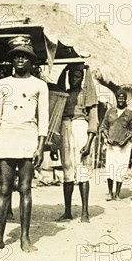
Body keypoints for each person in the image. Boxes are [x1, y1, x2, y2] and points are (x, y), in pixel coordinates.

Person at [0, 36, 49, 253]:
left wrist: (40, 146)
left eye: (25, 56)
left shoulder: (40, 86)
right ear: (12, 59)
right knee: (4, 189)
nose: (20, 59)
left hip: (28, 139)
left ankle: (25, 238)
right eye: (17, 56)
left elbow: (44, 118)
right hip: (7, 139)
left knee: (26, 189)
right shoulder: (2, 84)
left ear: (31, 60)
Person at [54, 63, 98, 223]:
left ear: (82, 78)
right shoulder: (64, 94)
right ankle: (67, 212)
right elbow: (56, 89)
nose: (74, 79)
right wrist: (65, 69)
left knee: (82, 170)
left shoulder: (87, 94)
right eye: (72, 76)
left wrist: (90, 141)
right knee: (67, 169)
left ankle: (85, 212)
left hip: (80, 127)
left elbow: (93, 118)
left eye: (78, 76)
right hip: (65, 127)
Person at [99, 89, 132, 201]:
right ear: (116, 99)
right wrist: (107, 137)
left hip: (124, 147)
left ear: (125, 99)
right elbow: (103, 126)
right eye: (119, 98)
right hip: (111, 145)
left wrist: (125, 140)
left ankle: (117, 194)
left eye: (123, 98)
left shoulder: (129, 113)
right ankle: (110, 193)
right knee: (110, 169)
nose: (121, 100)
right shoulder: (110, 111)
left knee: (121, 170)